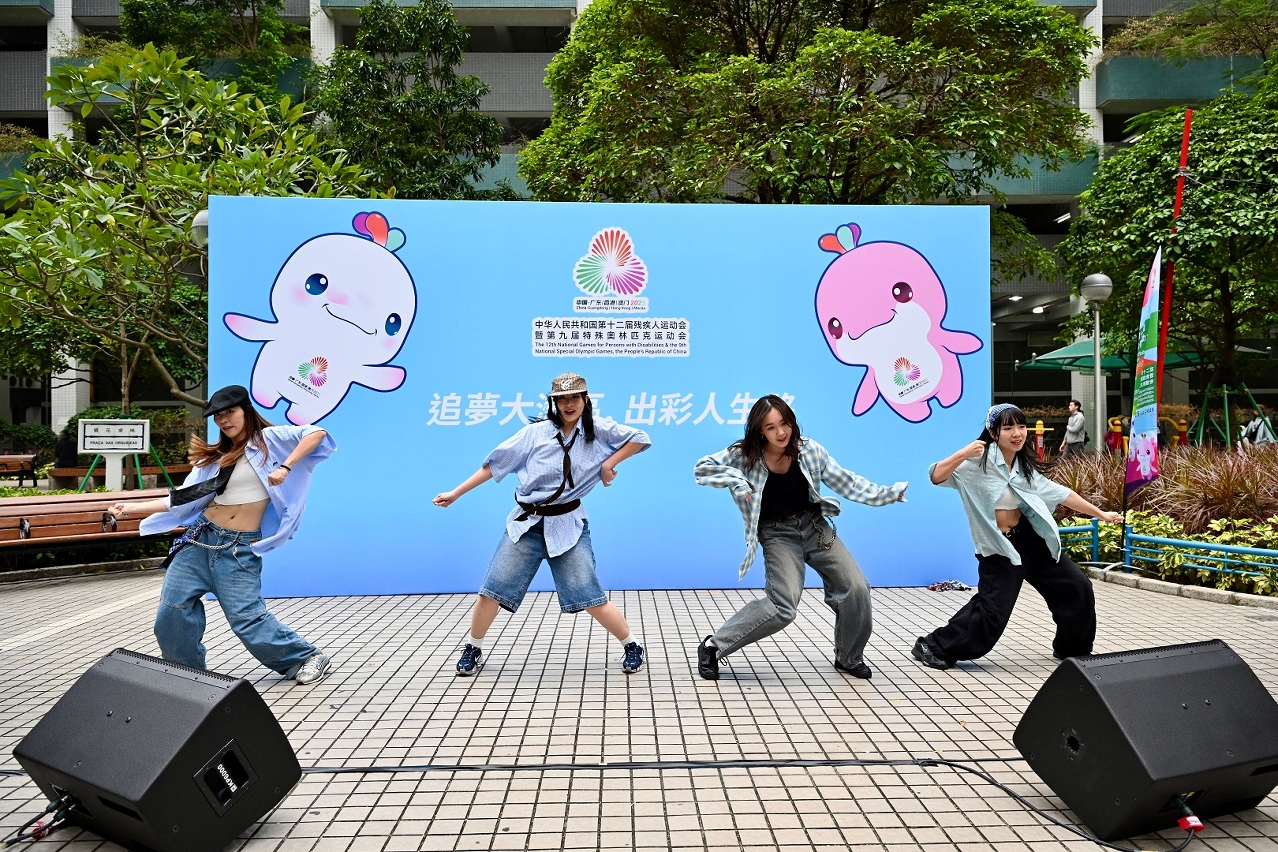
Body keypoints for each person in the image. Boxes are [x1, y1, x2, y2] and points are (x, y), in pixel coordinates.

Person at [108, 385, 335, 684]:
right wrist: (131, 508)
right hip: (198, 540)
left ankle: (305, 657)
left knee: (246, 619)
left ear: (245, 411)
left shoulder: (269, 440)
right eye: (218, 416)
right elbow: (183, 498)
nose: (224, 420)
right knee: (171, 612)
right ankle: (185, 672)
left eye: (230, 412)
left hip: (237, 549)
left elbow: (317, 434)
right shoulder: (217, 458)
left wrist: (285, 467)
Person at [434, 373, 651, 676]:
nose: (568, 404)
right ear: (554, 403)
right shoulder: (534, 434)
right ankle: (473, 647)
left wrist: (608, 464)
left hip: (568, 525)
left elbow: (640, 439)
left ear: (585, 400)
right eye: (562, 399)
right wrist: (456, 493)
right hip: (527, 524)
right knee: (492, 588)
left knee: (588, 592)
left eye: (574, 398)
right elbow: (494, 465)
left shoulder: (598, 431)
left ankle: (632, 645)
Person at [692, 395, 906, 681]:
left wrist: (888, 494)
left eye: (784, 423)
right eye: (771, 427)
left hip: (815, 527)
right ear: (760, 431)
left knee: (856, 588)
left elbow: (847, 482)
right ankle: (713, 646)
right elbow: (702, 468)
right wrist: (737, 480)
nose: (781, 432)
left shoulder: (809, 450)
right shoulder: (744, 454)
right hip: (777, 534)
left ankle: (848, 657)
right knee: (783, 607)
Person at [911, 403, 1123, 671]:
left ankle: (1073, 649)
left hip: (1031, 541)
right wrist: (964, 452)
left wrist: (1101, 514)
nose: (1017, 433)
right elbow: (936, 475)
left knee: (1077, 587)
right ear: (993, 432)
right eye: (1008, 427)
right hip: (1000, 549)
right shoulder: (975, 464)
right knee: (992, 613)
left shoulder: (1023, 467)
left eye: (1021, 426)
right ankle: (934, 646)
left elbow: (1060, 493)